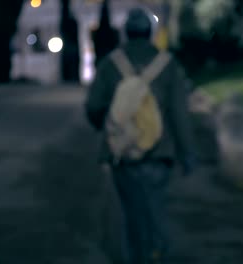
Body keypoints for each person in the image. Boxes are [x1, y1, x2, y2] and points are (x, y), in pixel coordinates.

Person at [85, 7, 196, 264]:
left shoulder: (111, 64)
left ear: (126, 33)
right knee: (155, 207)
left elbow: (93, 107)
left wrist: (107, 126)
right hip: (159, 151)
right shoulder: (167, 65)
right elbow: (179, 114)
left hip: (123, 153)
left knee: (132, 212)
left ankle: (137, 256)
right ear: (150, 33)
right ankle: (158, 252)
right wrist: (187, 153)